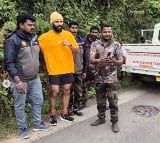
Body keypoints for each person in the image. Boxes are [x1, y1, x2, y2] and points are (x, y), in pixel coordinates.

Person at [4, 13, 51, 139]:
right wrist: (17, 81)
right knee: (20, 105)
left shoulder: (34, 38)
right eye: (29, 25)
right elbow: (9, 63)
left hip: (34, 78)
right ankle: (23, 129)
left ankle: (37, 123)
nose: (32, 27)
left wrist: (45, 71)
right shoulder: (12, 40)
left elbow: (39, 57)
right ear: (21, 25)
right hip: (20, 80)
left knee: (38, 101)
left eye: (33, 24)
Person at [38, 12, 79, 125]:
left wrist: (69, 45)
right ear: (52, 23)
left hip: (67, 68)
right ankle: (52, 113)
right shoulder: (44, 37)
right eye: (57, 21)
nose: (59, 23)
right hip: (54, 69)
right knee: (54, 92)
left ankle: (64, 113)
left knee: (66, 90)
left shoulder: (68, 35)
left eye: (61, 21)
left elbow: (77, 50)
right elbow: (38, 49)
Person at [89, 24, 124, 133]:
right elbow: (91, 59)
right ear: (101, 32)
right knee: (100, 101)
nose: (107, 34)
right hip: (99, 78)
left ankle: (114, 122)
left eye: (109, 32)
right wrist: (99, 60)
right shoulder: (95, 44)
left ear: (111, 32)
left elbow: (121, 61)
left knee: (113, 101)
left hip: (112, 79)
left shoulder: (116, 45)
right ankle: (101, 118)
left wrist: (113, 61)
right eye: (105, 32)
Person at [68, 21, 85, 116]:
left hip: (79, 69)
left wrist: (84, 69)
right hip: (68, 70)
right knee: (68, 90)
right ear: (69, 28)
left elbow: (85, 56)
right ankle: (69, 109)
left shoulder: (81, 41)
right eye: (72, 28)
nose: (74, 30)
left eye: (76, 28)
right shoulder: (65, 40)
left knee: (78, 91)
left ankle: (76, 108)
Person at [82, 26, 100, 108]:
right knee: (84, 87)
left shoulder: (99, 43)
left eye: (96, 32)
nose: (94, 34)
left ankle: (101, 103)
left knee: (100, 87)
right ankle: (83, 104)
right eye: (93, 32)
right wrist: (83, 69)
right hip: (86, 68)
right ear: (90, 32)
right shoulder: (84, 42)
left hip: (97, 69)